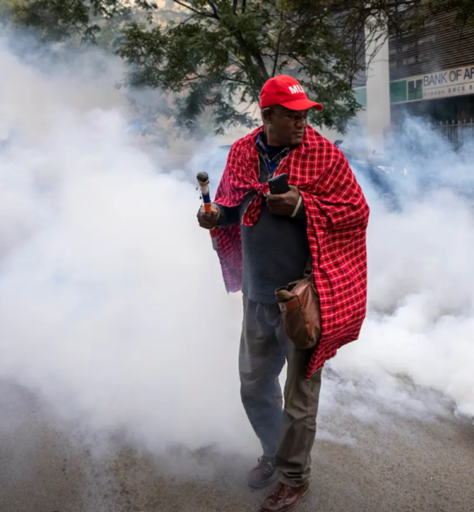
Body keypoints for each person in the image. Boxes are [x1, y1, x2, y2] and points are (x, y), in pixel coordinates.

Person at [197, 75, 369, 512]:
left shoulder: (322, 154)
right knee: (254, 387)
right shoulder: (241, 153)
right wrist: (215, 216)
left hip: (302, 299)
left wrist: (301, 206)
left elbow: (355, 211)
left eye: (306, 116)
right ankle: (274, 453)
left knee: (299, 396)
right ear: (268, 116)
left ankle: (294, 478)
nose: (302, 125)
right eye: (293, 117)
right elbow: (233, 207)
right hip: (257, 295)